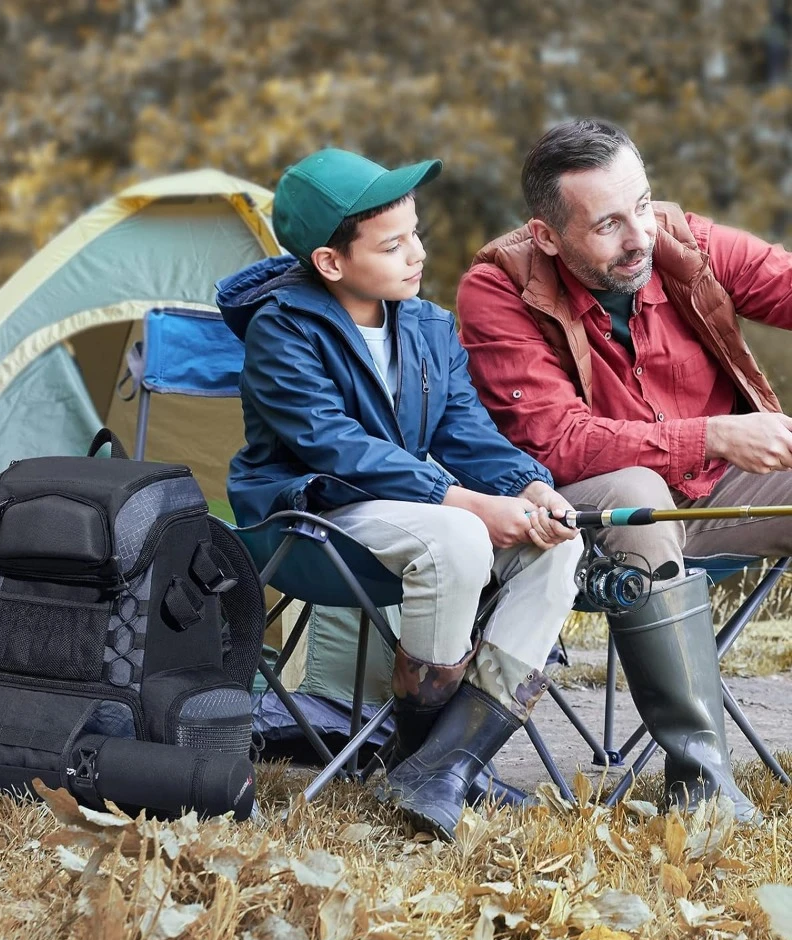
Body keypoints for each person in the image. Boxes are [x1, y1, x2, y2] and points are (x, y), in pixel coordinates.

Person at [216, 147, 583, 839]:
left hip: (413, 516)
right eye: (392, 245)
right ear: (331, 262)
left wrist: (532, 488)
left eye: (415, 233)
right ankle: (418, 755)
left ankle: (445, 767)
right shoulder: (282, 329)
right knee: (459, 535)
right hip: (307, 519)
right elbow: (333, 446)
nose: (416, 253)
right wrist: (469, 503)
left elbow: (469, 435)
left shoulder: (426, 326)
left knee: (558, 550)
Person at [457, 118, 792, 823]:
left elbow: (783, 283)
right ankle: (701, 784)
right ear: (548, 235)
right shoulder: (496, 290)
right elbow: (561, 440)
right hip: (582, 522)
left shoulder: (682, 242)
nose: (639, 235)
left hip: (709, 496)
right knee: (638, 489)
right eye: (608, 223)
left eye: (641, 204)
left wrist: (717, 445)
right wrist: (717, 434)